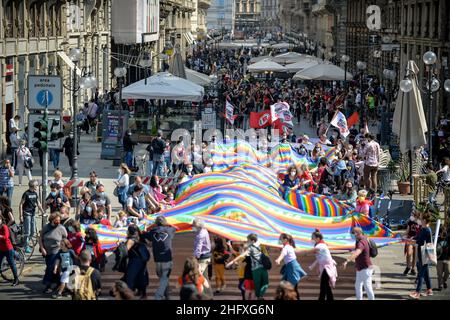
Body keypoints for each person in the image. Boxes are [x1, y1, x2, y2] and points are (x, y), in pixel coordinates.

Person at [226, 233, 269, 300]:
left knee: (248, 290)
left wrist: (231, 263)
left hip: (249, 274)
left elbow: (241, 256)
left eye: (248, 240)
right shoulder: (260, 248)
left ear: (252, 241)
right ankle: (259, 297)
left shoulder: (250, 249)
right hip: (257, 273)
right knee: (253, 290)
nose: (247, 241)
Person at [143, 215, 176, 300]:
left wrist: (148, 227)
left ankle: (166, 294)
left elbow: (144, 234)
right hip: (167, 258)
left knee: (162, 277)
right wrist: (167, 223)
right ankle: (160, 295)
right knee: (164, 277)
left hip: (157, 259)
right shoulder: (169, 231)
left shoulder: (152, 232)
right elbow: (175, 227)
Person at [342, 227, 375, 300]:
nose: (351, 235)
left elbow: (357, 252)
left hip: (365, 268)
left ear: (357, 233)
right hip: (360, 267)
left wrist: (347, 260)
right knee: (358, 285)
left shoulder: (361, 242)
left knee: (367, 287)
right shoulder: (363, 239)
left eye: (352, 233)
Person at [40, 212, 68, 294]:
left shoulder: (61, 228)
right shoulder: (46, 227)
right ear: (52, 220)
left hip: (56, 251)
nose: (58, 222)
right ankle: (58, 283)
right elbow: (40, 237)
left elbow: (65, 238)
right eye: (56, 220)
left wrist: (62, 247)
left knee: (50, 268)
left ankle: (48, 285)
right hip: (46, 252)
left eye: (59, 220)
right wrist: (42, 248)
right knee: (51, 268)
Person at [409, 212, 434, 299]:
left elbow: (420, 241)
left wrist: (412, 241)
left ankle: (417, 292)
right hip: (425, 253)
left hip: (424, 254)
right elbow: (419, 238)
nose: (419, 220)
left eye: (421, 218)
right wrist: (413, 238)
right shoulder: (425, 228)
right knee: (425, 273)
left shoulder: (426, 229)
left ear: (424, 220)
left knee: (421, 274)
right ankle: (429, 289)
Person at [274, 233, 307, 299]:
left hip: (292, 268)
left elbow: (282, 255)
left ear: (285, 239)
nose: (280, 239)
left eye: (281, 238)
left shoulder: (286, 247)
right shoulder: (289, 246)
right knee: (289, 286)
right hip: (291, 267)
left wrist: (278, 259)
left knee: (290, 287)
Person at [122, 225, 150, 299]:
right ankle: (143, 294)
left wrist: (120, 246)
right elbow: (148, 244)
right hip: (142, 260)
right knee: (141, 276)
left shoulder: (131, 240)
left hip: (134, 261)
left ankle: (129, 295)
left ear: (129, 232)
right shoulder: (141, 237)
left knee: (130, 277)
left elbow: (125, 251)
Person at [309, 229, 337, 300]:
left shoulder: (320, 245)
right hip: (325, 267)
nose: (311, 239)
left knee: (323, 285)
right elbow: (319, 258)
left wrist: (297, 252)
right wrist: (316, 266)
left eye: (313, 237)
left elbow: (308, 251)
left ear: (318, 238)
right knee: (325, 285)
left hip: (327, 267)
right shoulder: (318, 244)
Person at [19, 180, 45, 254]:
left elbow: (38, 203)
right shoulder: (26, 194)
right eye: (36, 185)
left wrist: (43, 212)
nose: (37, 187)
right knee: (27, 231)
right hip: (26, 214)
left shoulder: (35, 193)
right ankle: (25, 246)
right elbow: (21, 204)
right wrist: (20, 215)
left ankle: (27, 243)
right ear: (33, 186)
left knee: (32, 231)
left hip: (33, 214)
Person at [192, 218, 213, 296]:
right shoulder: (204, 231)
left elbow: (198, 247)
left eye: (193, 225)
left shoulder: (200, 235)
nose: (192, 226)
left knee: (199, 275)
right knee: (204, 275)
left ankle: (204, 294)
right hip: (206, 255)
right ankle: (207, 293)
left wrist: (195, 257)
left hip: (203, 256)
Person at [0, 215, 19, 286]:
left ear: (1, 220)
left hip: (8, 249)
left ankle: (16, 279)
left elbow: (6, 237)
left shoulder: (4, 227)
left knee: (12, 264)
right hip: (1, 249)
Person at [403, 210, 421, 276]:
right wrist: (400, 235)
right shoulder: (410, 222)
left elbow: (420, 233)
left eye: (413, 215)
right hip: (409, 239)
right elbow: (407, 231)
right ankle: (408, 267)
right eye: (412, 215)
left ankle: (413, 269)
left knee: (415, 255)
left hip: (416, 240)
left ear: (417, 215)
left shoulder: (420, 223)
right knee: (409, 253)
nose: (412, 216)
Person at [436, 226, 449, 291]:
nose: (444, 234)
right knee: (439, 273)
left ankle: (444, 281)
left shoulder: (448, 238)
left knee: (448, 272)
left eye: (445, 232)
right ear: (439, 233)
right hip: (439, 258)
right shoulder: (436, 239)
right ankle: (440, 285)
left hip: (447, 258)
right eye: (442, 232)